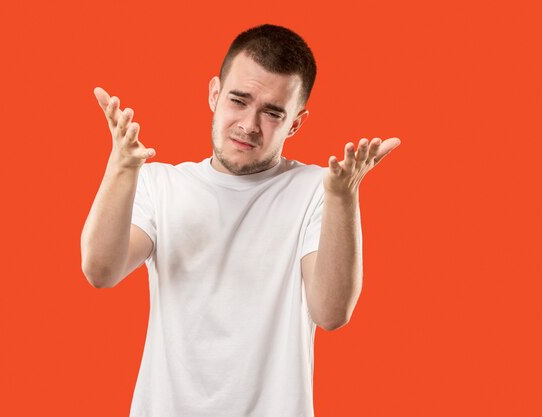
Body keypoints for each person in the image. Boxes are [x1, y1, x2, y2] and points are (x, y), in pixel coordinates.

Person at [81, 23, 400, 417]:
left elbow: (331, 313)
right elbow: (100, 270)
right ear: (214, 94)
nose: (249, 125)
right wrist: (119, 170)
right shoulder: (160, 183)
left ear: (295, 122)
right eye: (239, 100)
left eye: (272, 112)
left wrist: (343, 197)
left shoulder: (318, 189)